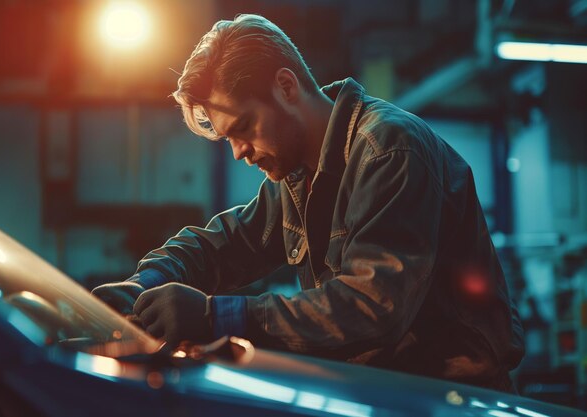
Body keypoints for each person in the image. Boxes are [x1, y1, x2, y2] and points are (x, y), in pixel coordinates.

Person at [92, 14, 524, 392]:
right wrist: (143, 285)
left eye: (244, 127)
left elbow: (373, 305)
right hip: (386, 391)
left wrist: (216, 317)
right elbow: (221, 244)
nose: (239, 152)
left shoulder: (389, 148)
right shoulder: (298, 173)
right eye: (228, 138)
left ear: (285, 86)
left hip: (452, 397)